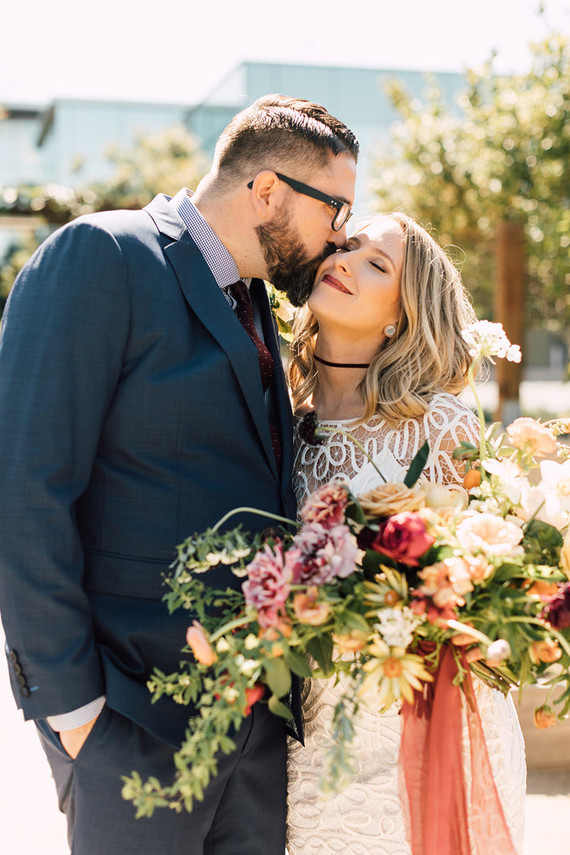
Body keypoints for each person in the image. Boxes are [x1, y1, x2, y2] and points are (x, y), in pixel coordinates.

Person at [0, 94, 358, 855]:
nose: (343, 235)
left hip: (255, 741)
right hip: (129, 728)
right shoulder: (102, 256)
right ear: (266, 190)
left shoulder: (257, 302)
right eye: (336, 209)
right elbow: (24, 490)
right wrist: (75, 717)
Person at [286, 213, 527, 854]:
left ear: (403, 314)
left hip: (424, 722)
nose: (344, 261)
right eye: (346, 246)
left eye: (376, 263)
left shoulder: (439, 423)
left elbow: (482, 577)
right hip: (309, 738)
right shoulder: (278, 420)